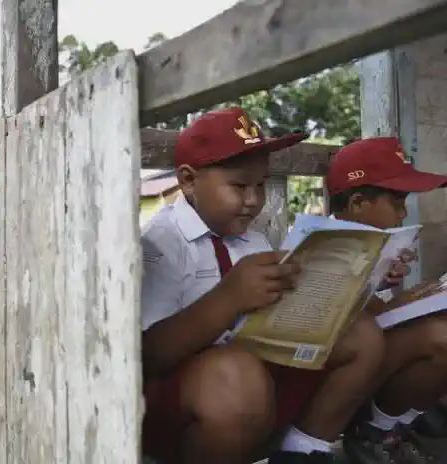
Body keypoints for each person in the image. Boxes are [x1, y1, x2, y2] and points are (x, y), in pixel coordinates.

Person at [141, 108, 385, 464]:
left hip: (253, 382)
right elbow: (148, 355)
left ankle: (302, 451)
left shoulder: (251, 241)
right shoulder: (161, 244)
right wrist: (229, 299)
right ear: (189, 181)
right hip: (185, 402)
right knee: (235, 375)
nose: (254, 200)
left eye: (261, 185)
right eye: (239, 186)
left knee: (360, 335)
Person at [324, 137, 447, 463]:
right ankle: (373, 432)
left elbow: (382, 312)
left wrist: (419, 295)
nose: (404, 212)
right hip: (333, 372)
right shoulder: (320, 249)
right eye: (396, 201)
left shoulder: (378, 247)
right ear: (358, 203)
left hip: (368, 361)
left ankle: (389, 428)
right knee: (439, 337)